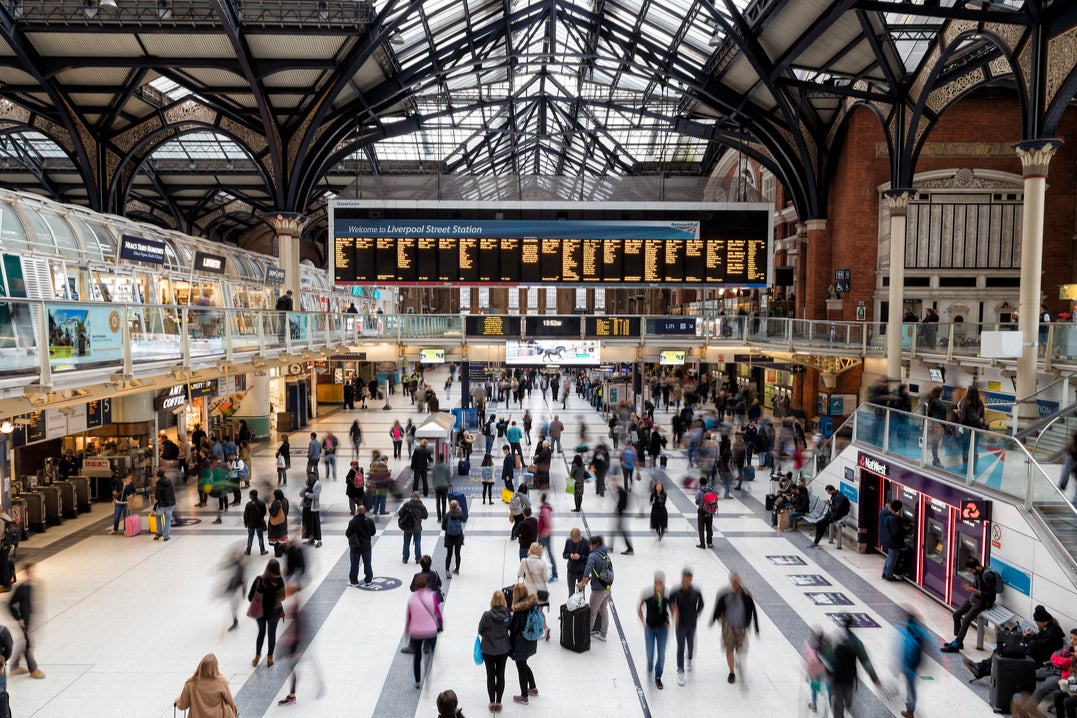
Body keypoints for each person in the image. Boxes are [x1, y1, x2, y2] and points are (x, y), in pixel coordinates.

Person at [963, 604, 1063, 680]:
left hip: (1036, 659)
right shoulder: (1048, 629)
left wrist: (1028, 640)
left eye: (1037, 623)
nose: (1037, 625)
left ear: (1042, 621)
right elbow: (1036, 643)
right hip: (1032, 653)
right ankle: (981, 668)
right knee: (1001, 650)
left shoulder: (1051, 633)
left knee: (1005, 652)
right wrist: (1029, 637)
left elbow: (1036, 648)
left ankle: (980, 669)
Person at [822, 615, 881, 718]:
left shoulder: (834, 637)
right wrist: (874, 678)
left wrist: (828, 671)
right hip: (850, 678)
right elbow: (865, 661)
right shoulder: (856, 642)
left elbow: (826, 654)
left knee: (838, 701)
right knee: (848, 699)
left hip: (837, 678)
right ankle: (847, 703)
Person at [710, 572, 759, 684]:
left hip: (741, 627)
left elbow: (752, 610)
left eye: (738, 582)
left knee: (740, 649)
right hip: (728, 627)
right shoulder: (725, 594)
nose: (737, 584)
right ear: (732, 583)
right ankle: (731, 672)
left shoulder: (745, 595)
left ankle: (737, 661)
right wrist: (720, 620)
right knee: (729, 649)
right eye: (735, 582)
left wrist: (754, 627)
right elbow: (718, 607)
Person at [941, 558, 999, 652]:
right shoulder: (977, 573)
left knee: (966, 619)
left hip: (983, 602)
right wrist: (970, 587)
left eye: (971, 570)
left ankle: (956, 645)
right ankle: (958, 641)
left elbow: (990, 594)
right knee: (956, 614)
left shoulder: (988, 575)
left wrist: (975, 591)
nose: (971, 572)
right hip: (974, 598)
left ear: (977, 566)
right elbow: (978, 586)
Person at [478, 589, 512, 713]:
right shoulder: (507, 614)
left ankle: (492, 702)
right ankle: (499, 701)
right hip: (503, 649)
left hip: (488, 650)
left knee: (490, 675)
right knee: (501, 674)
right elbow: (510, 627)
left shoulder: (487, 615)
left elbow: (480, 630)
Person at [670, 567, 704, 687]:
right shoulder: (675, 592)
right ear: (682, 578)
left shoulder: (696, 592)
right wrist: (674, 611)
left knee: (690, 644)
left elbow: (701, 604)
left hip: (692, 623)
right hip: (680, 625)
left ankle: (689, 658)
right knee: (680, 646)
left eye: (690, 579)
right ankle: (680, 670)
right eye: (686, 579)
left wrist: (696, 614)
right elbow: (670, 602)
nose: (688, 582)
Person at [248, 558, 286, 668]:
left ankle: (257, 657)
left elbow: (250, 597)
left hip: (260, 612)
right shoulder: (279, 581)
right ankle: (270, 658)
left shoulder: (259, 579)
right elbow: (283, 597)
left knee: (261, 633)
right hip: (274, 612)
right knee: (271, 634)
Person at [405, 574, 441, 688]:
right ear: (425, 585)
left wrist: (407, 631)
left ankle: (417, 680)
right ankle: (428, 674)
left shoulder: (412, 600)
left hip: (416, 632)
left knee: (417, 656)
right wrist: (440, 624)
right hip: (430, 630)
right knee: (430, 654)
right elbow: (438, 614)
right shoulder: (432, 596)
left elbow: (409, 617)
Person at [175, 654, 238, 718]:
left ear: (201, 666)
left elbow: (183, 705)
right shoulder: (221, 682)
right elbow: (231, 703)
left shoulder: (191, 684)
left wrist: (178, 701)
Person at [8, 562, 43, 679]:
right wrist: (18, 618)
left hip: (30, 619)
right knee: (29, 644)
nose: (31, 574)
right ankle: (33, 669)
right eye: (29, 572)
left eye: (33, 571)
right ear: (26, 573)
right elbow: (10, 605)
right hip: (24, 621)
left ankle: (15, 667)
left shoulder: (32, 586)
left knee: (26, 644)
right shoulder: (21, 588)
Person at [637, 570, 670, 689]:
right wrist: (644, 623)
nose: (660, 585)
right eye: (657, 583)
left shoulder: (667, 594)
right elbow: (639, 607)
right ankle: (650, 664)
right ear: (654, 583)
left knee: (661, 654)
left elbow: (673, 607)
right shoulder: (647, 593)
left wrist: (673, 618)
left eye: (661, 583)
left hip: (662, 628)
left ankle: (658, 677)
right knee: (650, 654)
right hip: (650, 628)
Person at [577, 534, 613, 642]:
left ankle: (585, 635)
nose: (589, 546)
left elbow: (588, 568)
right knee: (603, 609)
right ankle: (603, 634)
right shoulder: (605, 554)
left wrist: (582, 582)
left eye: (590, 544)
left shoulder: (593, 555)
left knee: (592, 612)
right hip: (607, 587)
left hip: (598, 590)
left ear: (594, 545)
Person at [508, 583, 540, 704]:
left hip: (520, 644)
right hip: (530, 641)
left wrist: (510, 620)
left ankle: (524, 696)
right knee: (524, 665)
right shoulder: (532, 605)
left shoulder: (519, 611)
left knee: (521, 668)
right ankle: (533, 688)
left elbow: (514, 628)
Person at [898, 608, 933, 718]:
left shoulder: (910, 630)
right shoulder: (919, 630)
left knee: (911, 688)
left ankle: (910, 710)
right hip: (915, 663)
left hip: (909, 665)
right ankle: (910, 708)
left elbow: (908, 649)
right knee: (911, 687)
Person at [809, 485, 851, 549]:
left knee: (820, 524)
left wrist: (829, 504)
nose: (828, 493)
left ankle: (816, 542)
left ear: (832, 490)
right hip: (832, 514)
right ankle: (816, 541)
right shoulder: (835, 495)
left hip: (836, 515)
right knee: (820, 524)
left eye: (829, 492)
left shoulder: (838, 497)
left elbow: (838, 509)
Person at [346, 505, 376, 587]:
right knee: (367, 563)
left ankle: (354, 581)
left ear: (357, 511)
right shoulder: (369, 520)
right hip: (366, 546)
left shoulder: (352, 522)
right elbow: (373, 532)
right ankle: (368, 580)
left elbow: (347, 534)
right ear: (365, 511)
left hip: (356, 547)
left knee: (354, 564)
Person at [398, 491, 429, 564]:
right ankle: (418, 559)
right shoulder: (421, 506)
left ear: (411, 496)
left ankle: (405, 558)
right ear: (419, 497)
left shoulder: (407, 504)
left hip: (408, 526)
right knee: (417, 543)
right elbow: (425, 516)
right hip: (417, 527)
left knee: (406, 543)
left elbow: (400, 513)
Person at [879, 499, 905, 580]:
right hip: (892, 541)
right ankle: (889, 575)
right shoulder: (893, 518)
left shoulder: (883, 511)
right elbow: (895, 532)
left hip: (885, 538)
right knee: (892, 558)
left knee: (890, 557)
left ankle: (885, 573)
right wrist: (904, 532)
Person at [442, 498, 466, 578]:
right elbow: (464, 519)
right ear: (457, 506)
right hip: (458, 536)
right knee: (457, 554)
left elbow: (443, 527)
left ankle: (447, 570)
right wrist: (460, 511)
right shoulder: (459, 514)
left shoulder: (447, 514)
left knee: (449, 554)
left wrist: (448, 528)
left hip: (449, 537)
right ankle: (457, 569)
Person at [536, 493, 558, 582]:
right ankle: (537, 572)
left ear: (542, 499)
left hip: (545, 535)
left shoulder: (545, 509)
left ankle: (555, 574)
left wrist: (544, 532)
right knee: (538, 554)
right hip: (542, 535)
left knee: (548, 554)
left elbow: (548, 523)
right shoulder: (544, 508)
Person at [563, 527, 590, 597]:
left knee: (581, 593)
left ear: (579, 537)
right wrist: (570, 555)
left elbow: (589, 559)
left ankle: (581, 607)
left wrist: (580, 557)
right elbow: (564, 554)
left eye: (576, 539)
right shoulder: (569, 541)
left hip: (581, 571)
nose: (574, 541)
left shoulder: (586, 543)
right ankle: (571, 607)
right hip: (571, 571)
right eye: (573, 539)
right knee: (571, 592)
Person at [243, 489, 269, 556]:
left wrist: (246, 523)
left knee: (250, 537)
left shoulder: (248, 504)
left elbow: (246, 515)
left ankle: (248, 550)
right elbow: (264, 512)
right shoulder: (262, 503)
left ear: (251, 495)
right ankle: (262, 550)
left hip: (251, 524)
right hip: (259, 523)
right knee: (260, 537)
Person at [300, 471, 323, 548]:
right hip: (306, 507)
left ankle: (319, 540)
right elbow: (300, 494)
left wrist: (308, 494)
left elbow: (316, 496)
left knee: (316, 524)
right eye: (309, 477)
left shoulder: (318, 484)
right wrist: (305, 487)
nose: (310, 478)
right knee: (307, 523)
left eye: (311, 477)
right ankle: (310, 539)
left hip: (314, 508)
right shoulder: (307, 484)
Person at [153, 469, 176, 541]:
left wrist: (156, 501)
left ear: (157, 476)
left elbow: (157, 496)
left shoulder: (159, 483)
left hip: (162, 505)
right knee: (168, 519)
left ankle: (159, 533)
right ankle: (166, 536)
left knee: (158, 517)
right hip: (171, 504)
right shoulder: (169, 481)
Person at [694, 477, 716, 548]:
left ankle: (702, 544)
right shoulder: (711, 489)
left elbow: (697, 502)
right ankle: (709, 543)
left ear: (700, 483)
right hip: (710, 511)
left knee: (701, 528)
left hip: (702, 512)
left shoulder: (699, 491)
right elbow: (715, 498)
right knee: (709, 527)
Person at [267, 488, 289, 553]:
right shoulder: (285, 500)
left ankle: (278, 553)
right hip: (284, 522)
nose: (272, 494)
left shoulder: (276, 502)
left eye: (273, 493)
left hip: (277, 525)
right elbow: (287, 511)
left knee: (277, 539)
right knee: (283, 537)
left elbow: (274, 514)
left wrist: (269, 509)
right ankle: (285, 550)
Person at [432, 454, 453, 522]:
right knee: (444, 502)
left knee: (438, 502)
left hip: (437, 486)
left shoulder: (435, 467)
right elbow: (448, 476)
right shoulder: (446, 467)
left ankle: (439, 517)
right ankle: (444, 516)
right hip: (444, 486)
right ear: (443, 458)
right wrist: (449, 483)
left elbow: (433, 477)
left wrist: (434, 484)